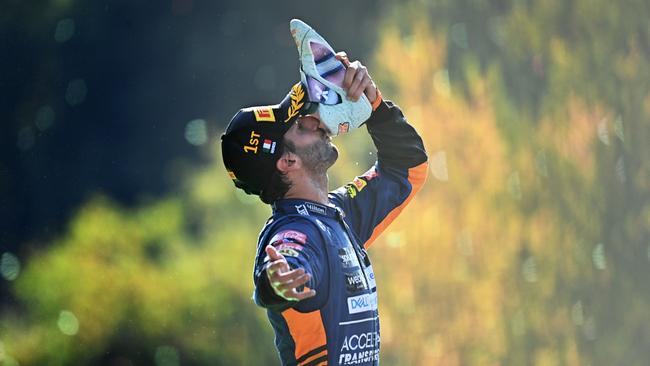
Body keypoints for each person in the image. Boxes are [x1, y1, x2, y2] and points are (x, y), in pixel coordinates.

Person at [221, 51, 428, 365]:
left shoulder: (338, 214)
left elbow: (407, 169)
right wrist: (277, 280)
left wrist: (374, 105)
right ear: (288, 161)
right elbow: (284, 259)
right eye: (302, 127)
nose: (317, 121)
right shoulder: (295, 230)